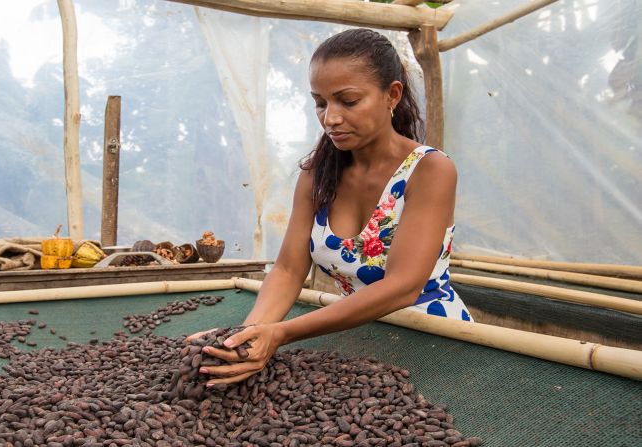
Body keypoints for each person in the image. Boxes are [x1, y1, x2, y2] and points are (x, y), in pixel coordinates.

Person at [196, 29, 474, 387]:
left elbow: (403, 286)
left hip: (437, 343)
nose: (330, 118)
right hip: (358, 339)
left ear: (392, 95)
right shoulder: (318, 174)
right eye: (321, 102)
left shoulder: (430, 170)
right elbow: (287, 269)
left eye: (348, 101)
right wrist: (243, 338)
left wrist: (280, 333)